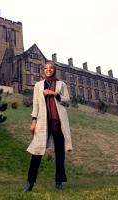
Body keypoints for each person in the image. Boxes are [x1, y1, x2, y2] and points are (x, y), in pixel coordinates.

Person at [23, 61, 73, 192]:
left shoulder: (61, 84)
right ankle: (30, 183)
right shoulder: (38, 85)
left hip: (58, 123)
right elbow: (36, 105)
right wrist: (33, 121)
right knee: (36, 152)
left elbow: (67, 100)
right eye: (46, 68)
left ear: (54, 70)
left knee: (60, 153)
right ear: (43, 70)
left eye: (51, 68)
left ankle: (59, 182)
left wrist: (53, 94)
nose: (48, 70)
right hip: (43, 122)